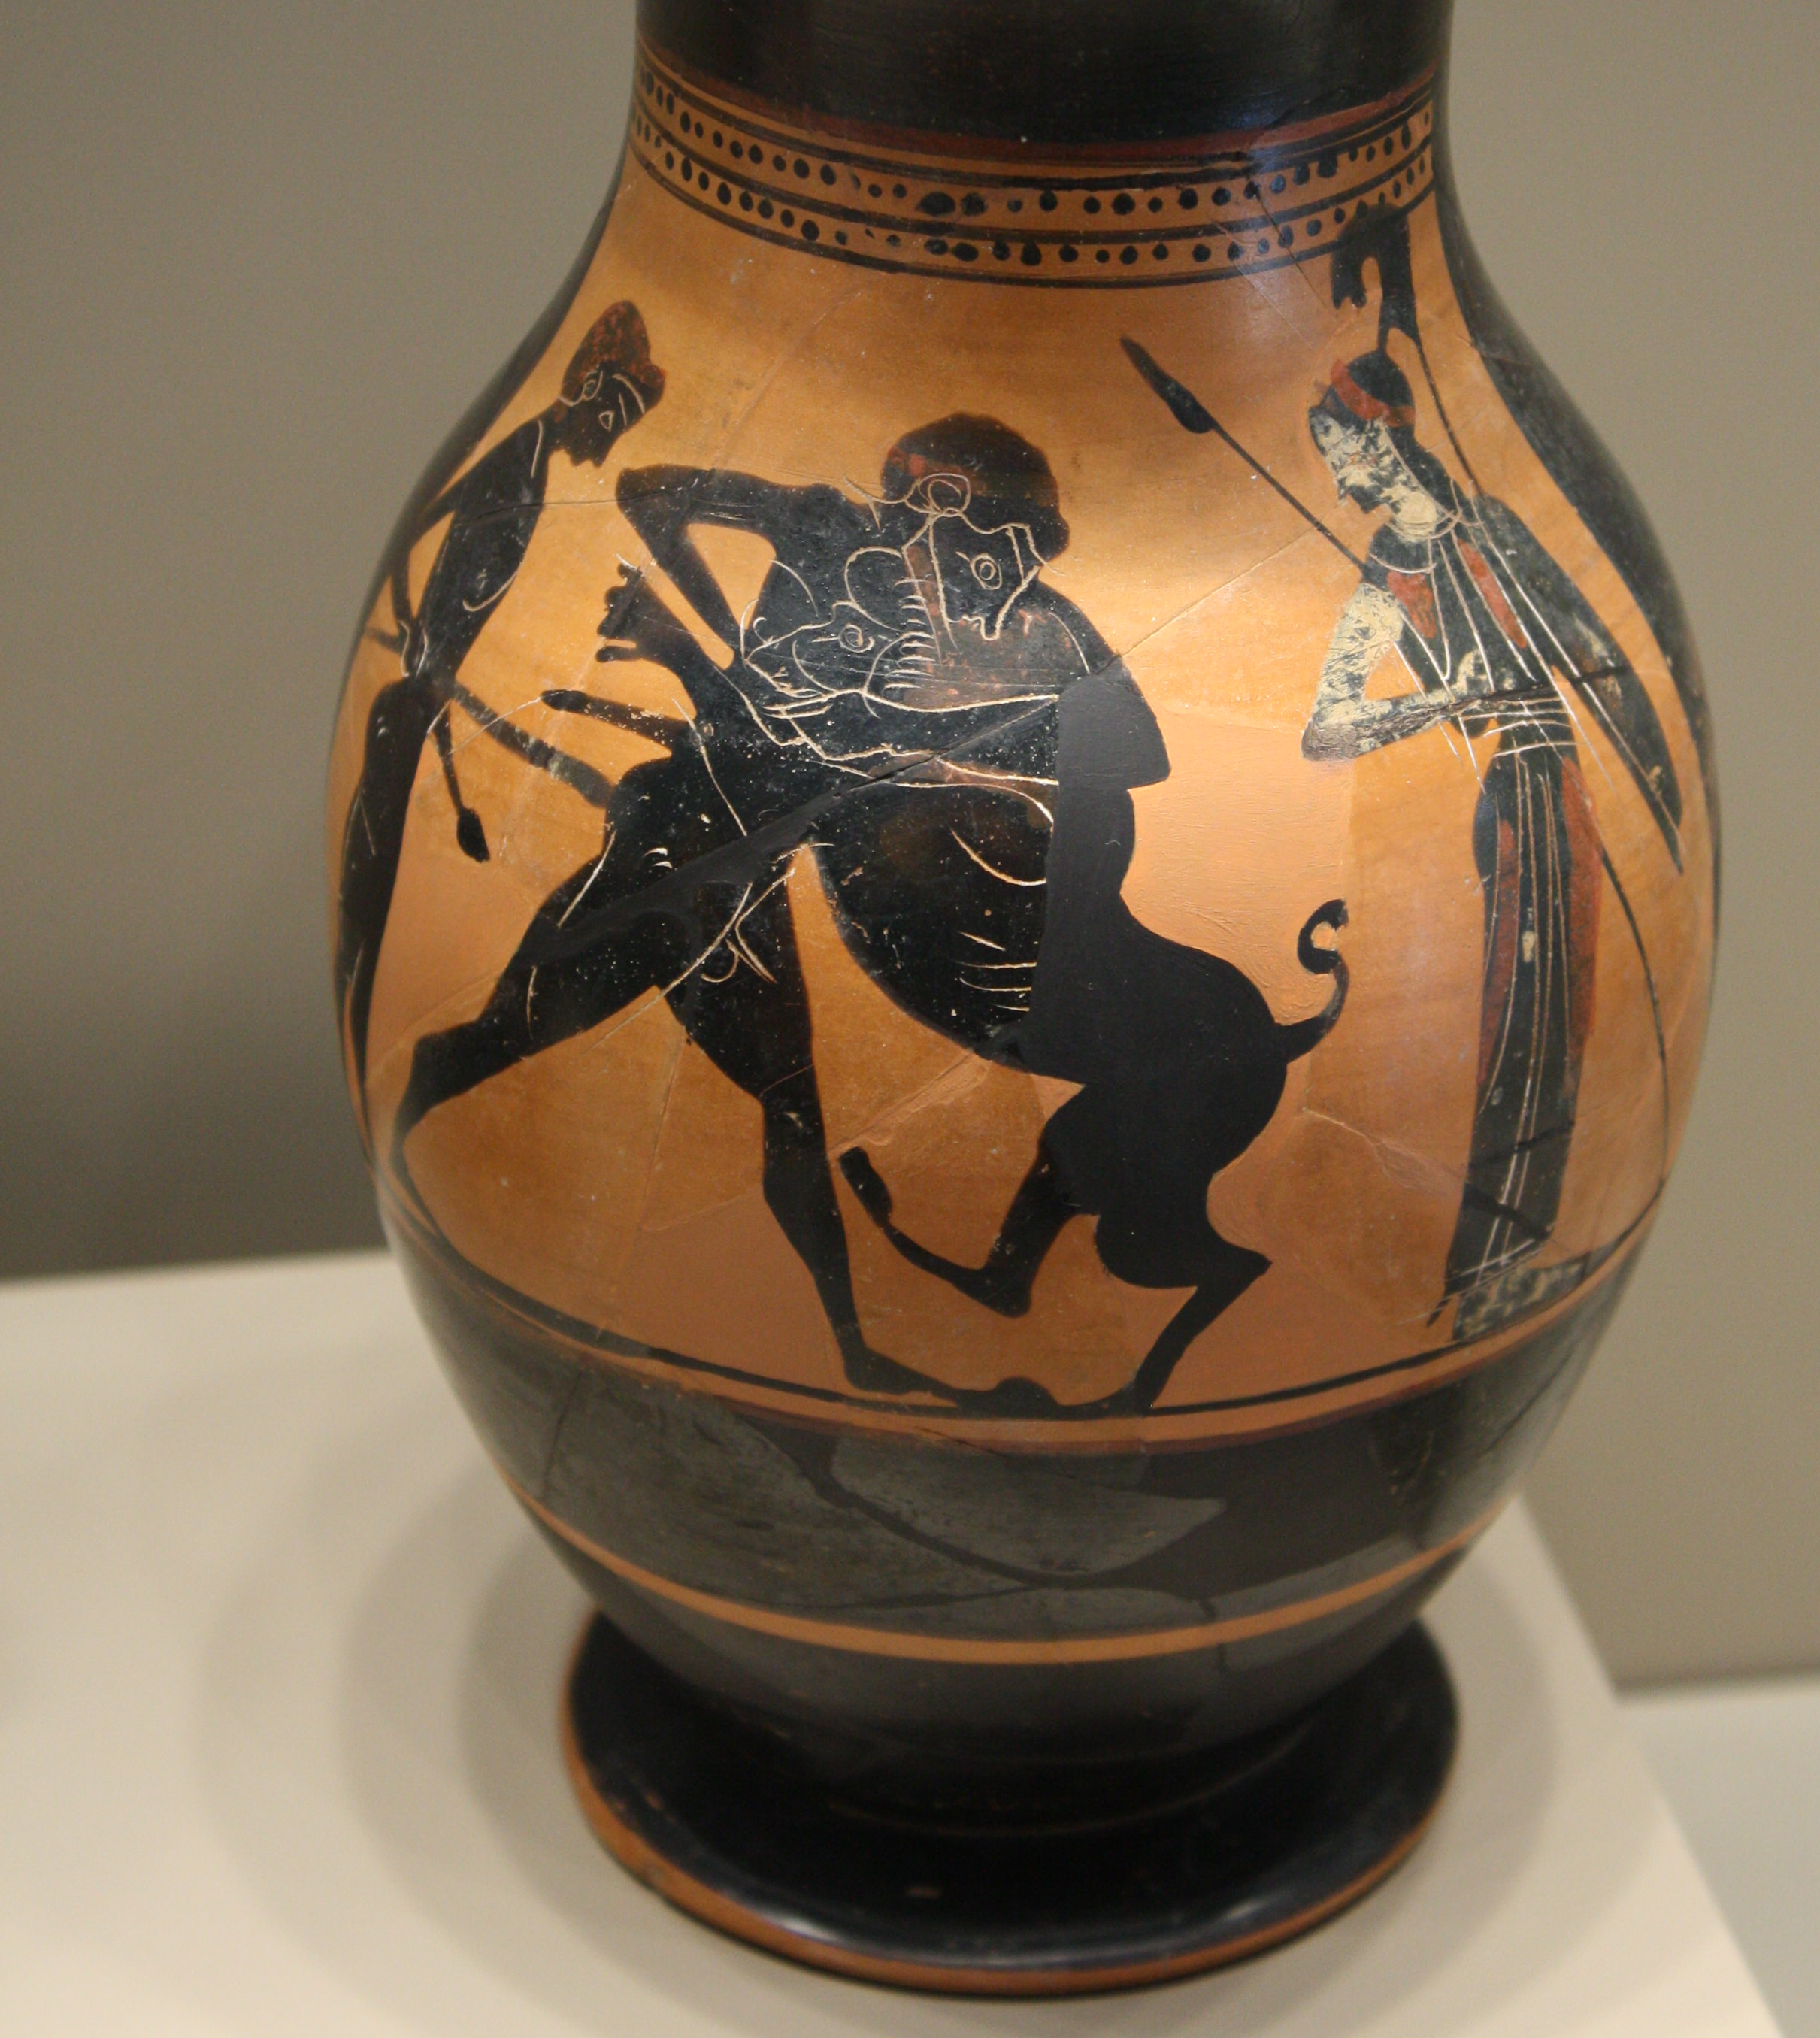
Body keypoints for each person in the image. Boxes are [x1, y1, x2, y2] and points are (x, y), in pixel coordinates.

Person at [389, 414, 1346, 1407]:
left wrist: (951, 696)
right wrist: (723, 627)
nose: (931, 550)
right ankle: (878, 1338)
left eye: (993, 543)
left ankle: (878, 1344)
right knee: (575, 1043)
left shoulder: (1042, 638)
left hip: (944, 928)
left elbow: (1116, 753)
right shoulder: (854, 579)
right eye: (914, 517)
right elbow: (663, 520)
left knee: (804, 1118)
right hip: (709, 864)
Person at [1302, 350, 1680, 1331]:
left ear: (1383, 434)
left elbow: (1592, 643)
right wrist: (1439, 703)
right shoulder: (1386, 576)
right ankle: (1489, 1262)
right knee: (1521, 1010)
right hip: (1511, 793)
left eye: (1340, 452)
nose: (1337, 482)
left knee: (1569, 1012)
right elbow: (1326, 727)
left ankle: (1525, 1251)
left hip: (1568, 787)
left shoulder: (1496, 529)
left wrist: (1656, 781)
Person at [333, 300, 662, 1118]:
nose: (605, 443)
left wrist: (434, 664)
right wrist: (416, 636)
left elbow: (444, 607)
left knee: (375, 894)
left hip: (422, 701)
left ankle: (368, 1023)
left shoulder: (533, 472)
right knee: (369, 902)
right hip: (407, 705)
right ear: (584, 389)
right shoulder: (515, 464)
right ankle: (366, 1020)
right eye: (609, 418)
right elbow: (433, 542)